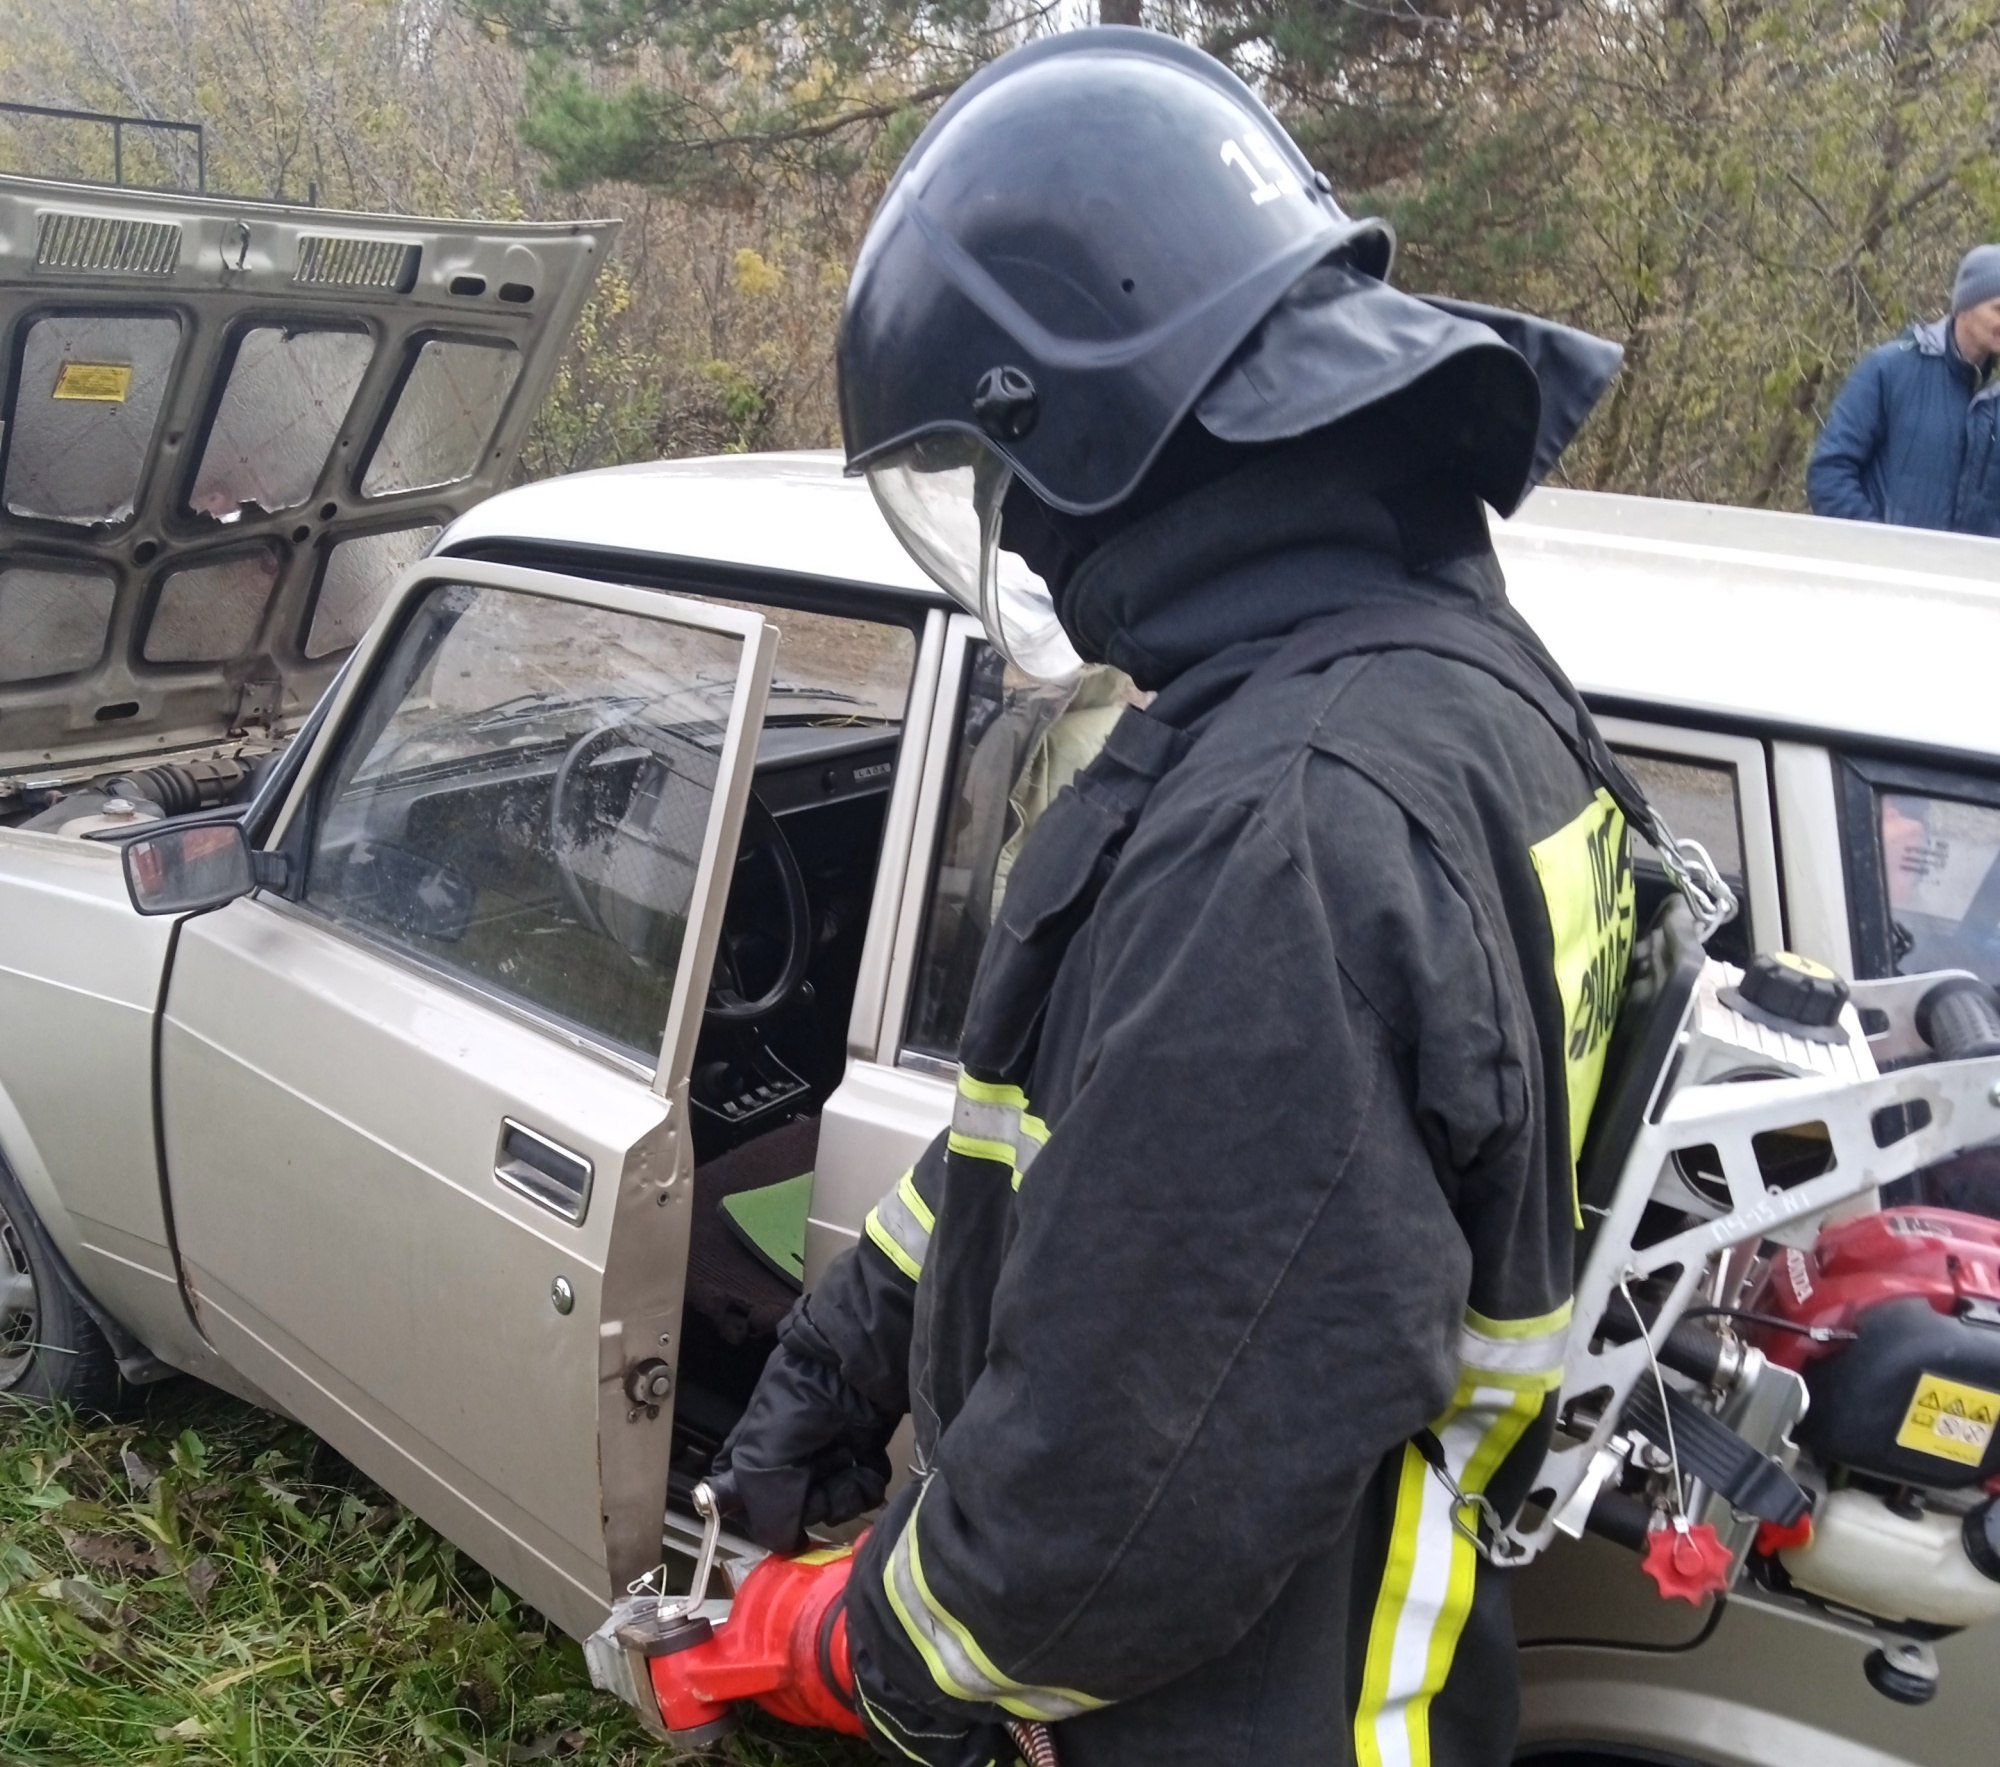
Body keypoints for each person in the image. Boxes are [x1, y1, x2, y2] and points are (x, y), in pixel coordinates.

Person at [709, 28, 1658, 1767]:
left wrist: (879, 1653)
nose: (1018, 537)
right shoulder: (1452, 686)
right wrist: (845, 1349)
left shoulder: (1291, 828)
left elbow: (1107, 1504)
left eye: (995, 482)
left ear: (1092, 432)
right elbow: (1091, 1138)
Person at [1806, 245, 2000, 535]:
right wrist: (1880, 549)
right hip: (1884, 575)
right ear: (1965, 306)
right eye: (1997, 309)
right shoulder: (1890, 369)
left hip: (1966, 579)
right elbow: (1828, 473)